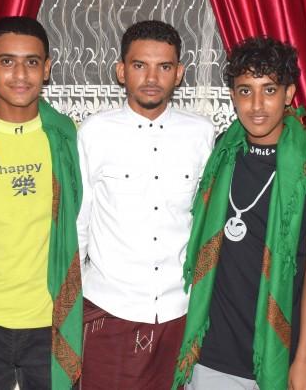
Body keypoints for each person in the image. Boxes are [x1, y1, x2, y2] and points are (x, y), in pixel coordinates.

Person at [173, 36, 306, 390]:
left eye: (269, 90)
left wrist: (305, 358)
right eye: (245, 91)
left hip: (280, 350)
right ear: (233, 96)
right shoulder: (221, 154)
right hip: (213, 352)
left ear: (289, 93)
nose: (256, 105)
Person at [77, 20, 215, 389]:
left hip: (178, 311)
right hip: (108, 309)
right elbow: (79, 225)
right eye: (140, 65)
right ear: (121, 71)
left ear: (179, 73)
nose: (152, 78)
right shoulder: (94, 132)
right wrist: (73, 309)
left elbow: (206, 222)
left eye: (164, 67)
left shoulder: (202, 134)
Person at [0, 16, 82, 390]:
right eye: (7, 61)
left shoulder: (66, 138)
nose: (20, 74)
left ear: (47, 68)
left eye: (32, 62)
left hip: (49, 321)